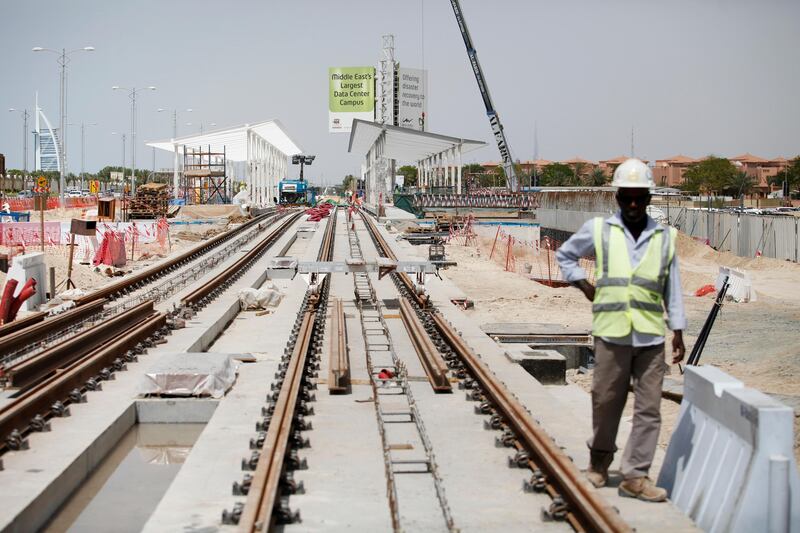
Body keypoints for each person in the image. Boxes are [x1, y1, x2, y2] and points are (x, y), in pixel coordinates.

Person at [555, 158, 686, 503]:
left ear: (648, 199)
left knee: (649, 408)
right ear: (617, 197)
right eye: (626, 197)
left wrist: (678, 330)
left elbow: (672, 286)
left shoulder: (664, 237)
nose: (632, 204)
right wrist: (583, 285)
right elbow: (565, 255)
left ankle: (636, 476)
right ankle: (599, 464)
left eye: (638, 198)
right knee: (606, 400)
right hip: (611, 333)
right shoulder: (599, 230)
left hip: (651, 336)